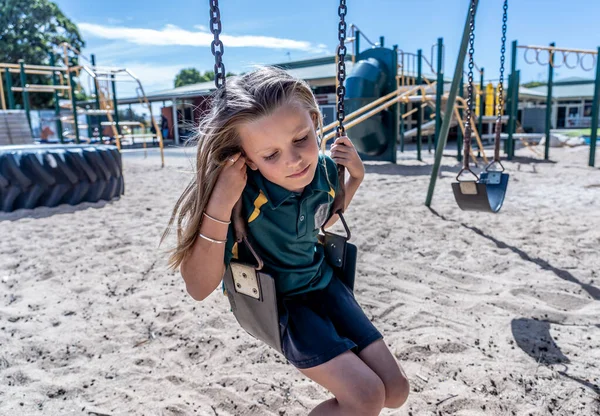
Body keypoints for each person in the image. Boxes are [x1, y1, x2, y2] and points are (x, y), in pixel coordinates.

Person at [164, 66, 409, 415]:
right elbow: (199, 287)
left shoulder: (324, 168)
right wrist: (219, 203)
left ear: (313, 120)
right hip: (281, 306)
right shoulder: (240, 195)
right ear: (247, 157)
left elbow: (326, 214)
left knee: (396, 390)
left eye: (300, 140)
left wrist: (356, 177)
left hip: (323, 284)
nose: (293, 161)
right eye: (270, 155)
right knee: (366, 396)